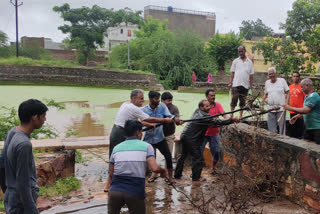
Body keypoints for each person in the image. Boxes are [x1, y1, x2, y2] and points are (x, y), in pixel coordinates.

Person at [105, 89, 173, 192]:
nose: (142, 101)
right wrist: (164, 120)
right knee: (115, 158)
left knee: (123, 156)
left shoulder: (126, 104)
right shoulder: (134, 108)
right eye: (141, 99)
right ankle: (109, 184)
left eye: (143, 98)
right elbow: (150, 119)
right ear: (134, 98)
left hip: (121, 130)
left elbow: (139, 121)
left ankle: (120, 181)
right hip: (120, 133)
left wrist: (149, 125)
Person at [108, 120, 167, 214]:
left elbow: (111, 173)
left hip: (115, 191)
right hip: (134, 191)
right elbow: (155, 168)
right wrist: (163, 171)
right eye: (141, 132)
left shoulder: (116, 148)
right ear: (138, 132)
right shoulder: (146, 146)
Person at [1, 99, 48, 213]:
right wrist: (32, 211)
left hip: (12, 198)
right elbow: (23, 184)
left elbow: (1, 163)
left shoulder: (12, 132)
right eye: (43, 116)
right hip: (21, 204)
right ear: (34, 117)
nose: (45, 119)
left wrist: (8, 190)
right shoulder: (24, 144)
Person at [174, 100, 239, 182]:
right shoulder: (204, 117)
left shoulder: (198, 111)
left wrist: (224, 121)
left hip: (185, 135)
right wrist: (231, 120)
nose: (209, 108)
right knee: (198, 158)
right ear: (201, 107)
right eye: (207, 106)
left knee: (182, 156)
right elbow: (216, 121)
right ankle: (196, 177)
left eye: (209, 106)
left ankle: (177, 175)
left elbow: (213, 122)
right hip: (192, 139)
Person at [142, 91, 180, 184]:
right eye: (156, 99)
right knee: (151, 158)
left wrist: (175, 120)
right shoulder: (143, 110)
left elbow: (170, 116)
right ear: (150, 99)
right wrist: (149, 124)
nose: (158, 101)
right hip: (148, 139)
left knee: (168, 156)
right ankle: (153, 175)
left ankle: (170, 177)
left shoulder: (162, 106)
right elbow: (140, 121)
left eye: (159, 99)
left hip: (160, 138)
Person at [283, 78, 320, 144]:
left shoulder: (314, 96)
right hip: (309, 127)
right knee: (305, 145)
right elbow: (308, 111)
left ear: (307, 86)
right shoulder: (307, 97)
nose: (301, 89)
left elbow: (305, 110)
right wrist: (297, 116)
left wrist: (289, 108)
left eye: (302, 87)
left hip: (317, 127)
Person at [201, 89, 229, 175]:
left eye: (214, 95)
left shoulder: (218, 105)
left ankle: (213, 168)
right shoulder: (203, 106)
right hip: (203, 133)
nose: (213, 97)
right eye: (211, 96)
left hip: (214, 133)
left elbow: (224, 114)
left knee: (216, 151)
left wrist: (229, 120)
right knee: (198, 151)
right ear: (207, 97)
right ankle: (198, 170)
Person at [261, 67, 289, 135]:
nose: (271, 75)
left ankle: (283, 142)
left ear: (276, 73)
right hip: (270, 110)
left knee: (282, 129)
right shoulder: (267, 83)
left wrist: (286, 104)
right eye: (270, 74)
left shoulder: (282, 81)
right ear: (268, 75)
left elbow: (288, 92)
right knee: (271, 130)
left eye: (272, 73)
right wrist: (263, 100)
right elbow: (266, 94)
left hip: (281, 109)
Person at [228, 46, 254, 118]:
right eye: (239, 52)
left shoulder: (249, 62)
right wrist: (230, 82)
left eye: (242, 51)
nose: (240, 53)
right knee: (234, 98)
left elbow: (251, 75)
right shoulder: (235, 61)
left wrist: (250, 85)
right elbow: (232, 73)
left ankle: (240, 116)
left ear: (245, 51)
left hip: (245, 84)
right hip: (236, 83)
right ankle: (231, 115)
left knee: (242, 101)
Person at [161, 92, 180, 160]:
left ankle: (167, 169)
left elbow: (177, 122)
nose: (170, 102)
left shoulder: (174, 108)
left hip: (169, 134)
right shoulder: (158, 108)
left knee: (168, 155)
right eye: (168, 100)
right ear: (162, 101)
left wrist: (178, 121)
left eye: (171, 100)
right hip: (158, 134)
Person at [288, 71, 305, 138]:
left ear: (299, 78)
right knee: (292, 130)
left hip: (300, 112)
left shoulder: (302, 87)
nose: (295, 78)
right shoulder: (290, 87)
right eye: (294, 76)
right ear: (292, 78)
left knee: (299, 130)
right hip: (292, 111)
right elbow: (288, 98)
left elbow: (305, 98)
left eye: (297, 76)